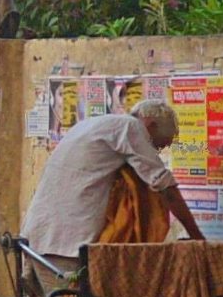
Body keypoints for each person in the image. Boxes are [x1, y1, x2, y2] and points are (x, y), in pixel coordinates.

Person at [21, 98, 206, 264]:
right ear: (151, 125)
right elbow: (165, 187)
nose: (155, 151)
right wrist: (198, 238)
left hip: (38, 233)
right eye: (158, 145)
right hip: (66, 244)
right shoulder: (132, 128)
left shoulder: (97, 124)